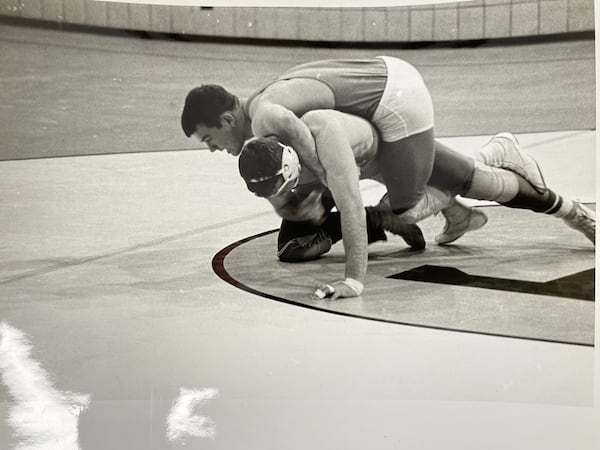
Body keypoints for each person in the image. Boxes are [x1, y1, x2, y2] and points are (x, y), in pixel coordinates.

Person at [237, 109, 595, 299]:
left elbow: (350, 212)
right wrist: (296, 209)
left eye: (287, 183)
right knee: (291, 248)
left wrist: (354, 282)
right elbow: (282, 195)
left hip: (393, 156)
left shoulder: (325, 142)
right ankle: (452, 210)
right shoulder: (266, 154)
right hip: (346, 167)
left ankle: (497, 155)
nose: (283, 192)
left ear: (290, 161)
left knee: (488, 186)